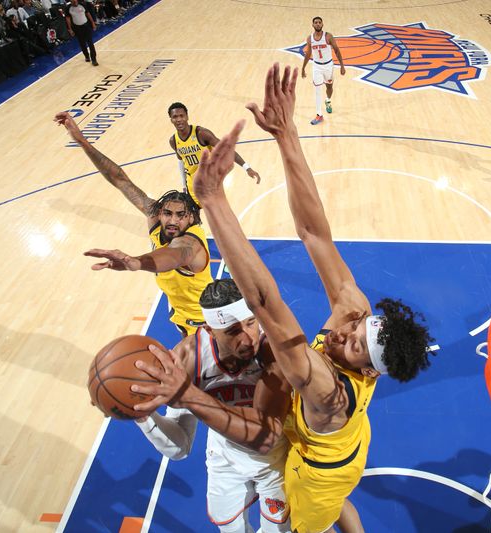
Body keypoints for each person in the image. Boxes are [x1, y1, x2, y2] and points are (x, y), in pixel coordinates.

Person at [193, 63, 434, 533]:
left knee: (315, 523)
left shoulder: (325, 389)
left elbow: (265, 301)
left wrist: (215, 202)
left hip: (319, 477)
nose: (343, 330)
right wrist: (287, 135)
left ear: (365, 370)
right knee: (349, 500)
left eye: (354, 343)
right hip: (351, 442)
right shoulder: (355, 319)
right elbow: (314, 232)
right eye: (357, 325)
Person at [131, 278, 293, 533]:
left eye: (251, 322)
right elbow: (179, 449)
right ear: (209, 330)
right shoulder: (189, 359)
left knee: (281, 531)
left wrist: (189, 395)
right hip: (224, 452)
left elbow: (266, 437)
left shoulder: (273, 351)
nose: (248, 338)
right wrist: (141, 414)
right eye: (232, 331)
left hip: (276, 456)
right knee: (231, 530)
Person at [54, 111, 212, 337]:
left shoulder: (191, 243)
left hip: (203, 322)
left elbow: (172, 256)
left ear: (191, 218)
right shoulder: (157, 219)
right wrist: (81, 140)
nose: (172, 220)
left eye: (180, 215)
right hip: (179, 310)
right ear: (160, 213)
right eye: (167, 213)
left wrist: (135, 262)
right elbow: (119, 179)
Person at [168, 102, 261, 208]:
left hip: (209, 182)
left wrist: (247, 168)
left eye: (181, 116)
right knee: (192, 218)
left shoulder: (201, 134)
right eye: (175, 117)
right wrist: (184, 186)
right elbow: (181, 161)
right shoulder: (173, 141)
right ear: (171, 120)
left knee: (218, 215)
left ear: (187, 116)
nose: (179, 119)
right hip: (192, 185)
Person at [301, 16, 345, 126]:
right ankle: (319, 115)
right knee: (317, 89)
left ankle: (328, 101)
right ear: (312, 25)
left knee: (329, 87)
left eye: (319, 22)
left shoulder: (328, 36)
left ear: (322, 24)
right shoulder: (309, 38)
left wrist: (342, 66)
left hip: (328, 65)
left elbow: (337, 50)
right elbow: (308, 53)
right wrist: (303, 68)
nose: (317, 24)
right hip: (317, 66)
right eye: (315, 23)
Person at [65, 0, 97, 65]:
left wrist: (93, 23)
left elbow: (88, 14)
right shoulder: (68, 8)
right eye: (73, 1)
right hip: (77, 28)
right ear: (71, 1)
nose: (75, 2)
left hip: (86, 26)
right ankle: (87, 56)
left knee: (90, 43)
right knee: (82, 43)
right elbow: (68, 19)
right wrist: (70, 29)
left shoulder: (82, 5)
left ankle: (94, 59)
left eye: (76, 1)